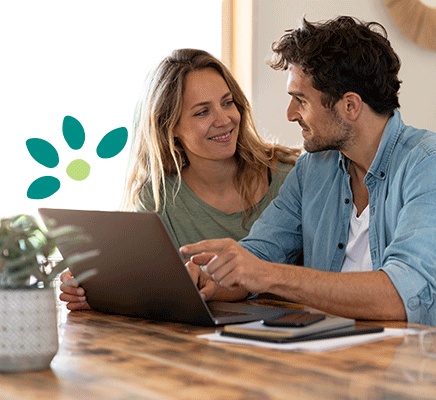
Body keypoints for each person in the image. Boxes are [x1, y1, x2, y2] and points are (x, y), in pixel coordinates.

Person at [180, 17, 436, 331]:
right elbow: (260, 253)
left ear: (350, 105)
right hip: (332, 360)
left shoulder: (434, 167)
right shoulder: (314, 169)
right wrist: (214, 279)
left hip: (424, 370)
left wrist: (267, 274)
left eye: (301, 100)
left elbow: (400, 297)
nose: (290, 114)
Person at [60, 48, 300, 310]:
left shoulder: (291, 176)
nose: (224, 120)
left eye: (227, 102)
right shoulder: (157, 198)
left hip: (297, 335)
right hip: (202, 339)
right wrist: (97, 292)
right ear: (170, 126)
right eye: (202, 112)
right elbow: (145, 285)